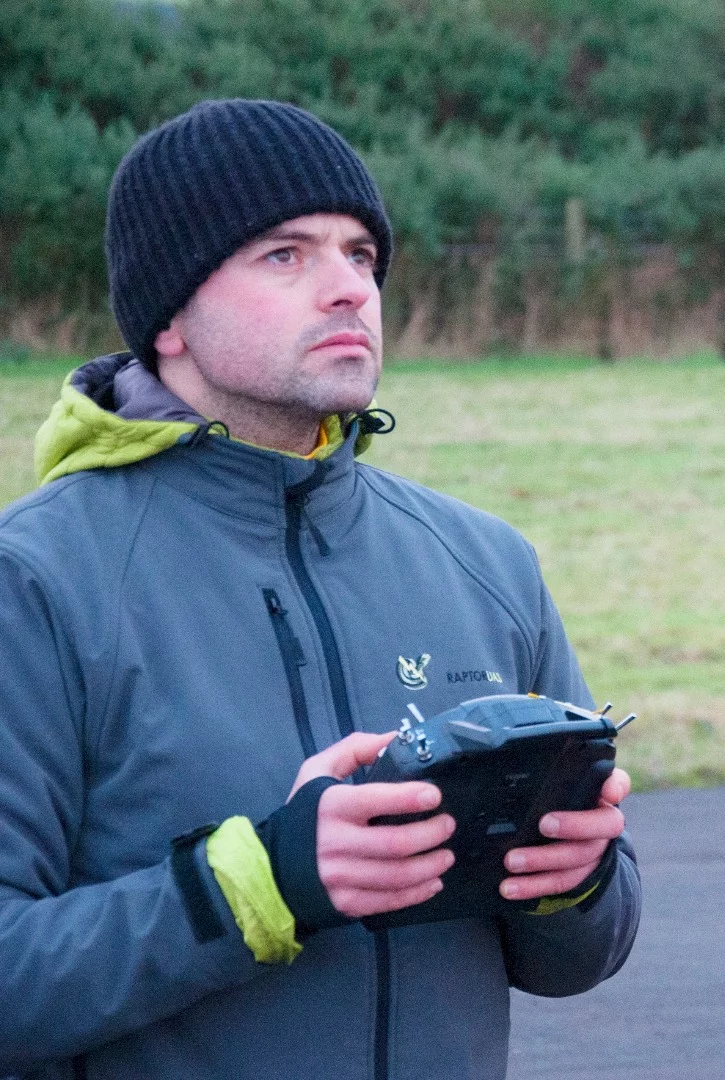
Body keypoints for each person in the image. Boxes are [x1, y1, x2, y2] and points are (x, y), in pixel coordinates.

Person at [0, 99, 640, 1080]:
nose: (347, 288)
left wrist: (575, 882)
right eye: (285, 255)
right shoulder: (38, 578)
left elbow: (584, 958)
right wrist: (263, 884)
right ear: (169, 314)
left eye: (360, 256)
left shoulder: (487, 561)